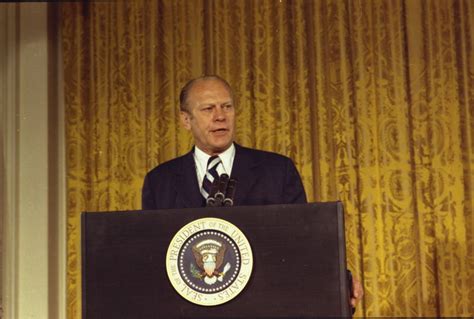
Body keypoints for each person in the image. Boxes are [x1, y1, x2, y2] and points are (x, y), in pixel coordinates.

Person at [142, 75, 363, 308]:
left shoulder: (277, 170)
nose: (220, 116)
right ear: (186, 120)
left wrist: (339, 278)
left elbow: (301, 244)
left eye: (227, 106)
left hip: (263, 305)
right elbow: (153, 259)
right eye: (208, 108)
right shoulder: (160, 181)